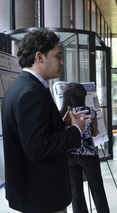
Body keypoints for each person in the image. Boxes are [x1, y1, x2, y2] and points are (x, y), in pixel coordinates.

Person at [1, 30, 87, 213]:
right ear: (39, 57)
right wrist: (76, 131)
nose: (62, 62)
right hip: (42, 197)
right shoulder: (31, 92)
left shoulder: (19, 87)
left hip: (34, 193)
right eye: (57, 56)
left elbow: (33, 133)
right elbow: (37, 147)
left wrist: (62, 126)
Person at [60, 83, 110, 213]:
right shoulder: (90, 112)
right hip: (88, 154)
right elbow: (94, 133)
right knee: (97, 187)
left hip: (70, 155)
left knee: (76, 191)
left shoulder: (63, 114)